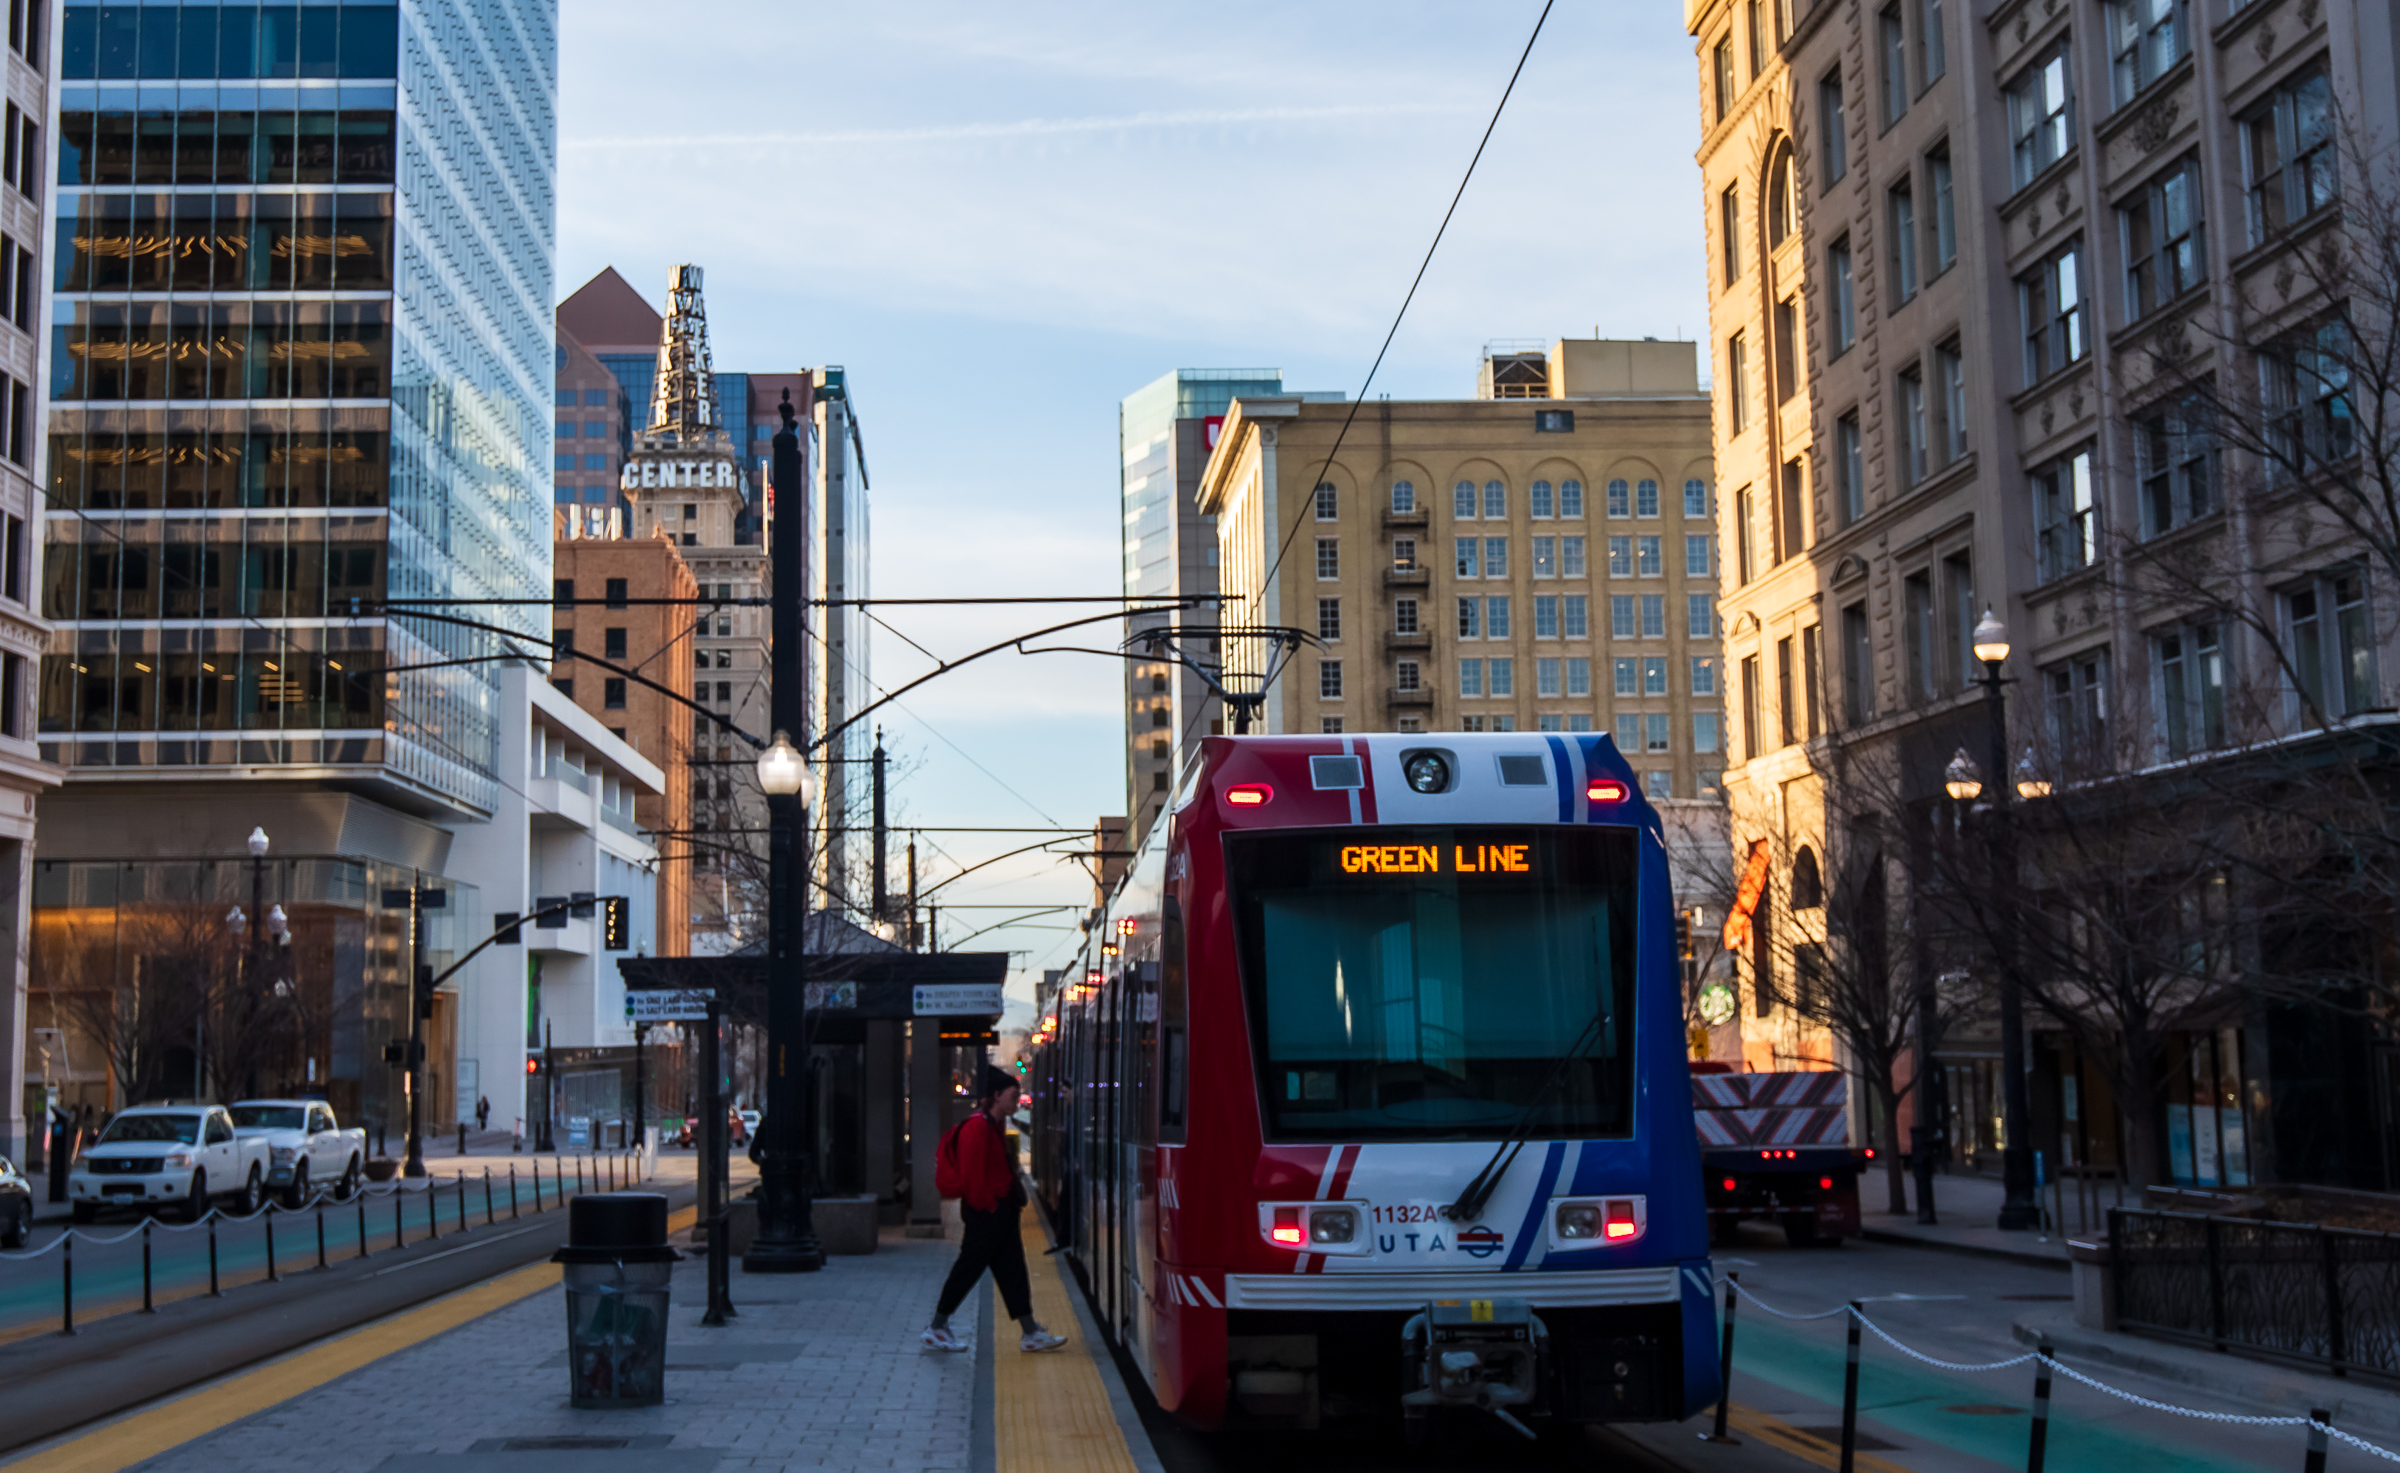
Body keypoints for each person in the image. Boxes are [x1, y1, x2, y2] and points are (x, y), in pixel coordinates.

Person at [923, 1066, 1066, 1354]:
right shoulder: (977, 1128)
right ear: (997, 1095)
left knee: (1012, 1270)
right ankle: (937, 1327)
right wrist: (990, 1208)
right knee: (969, 1268)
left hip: (1000, 1212)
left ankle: (1030, 1332)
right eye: (1014, 1095)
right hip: (988, 1213)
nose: (1018, 1100)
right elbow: (974, 1179)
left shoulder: (993, 1125)